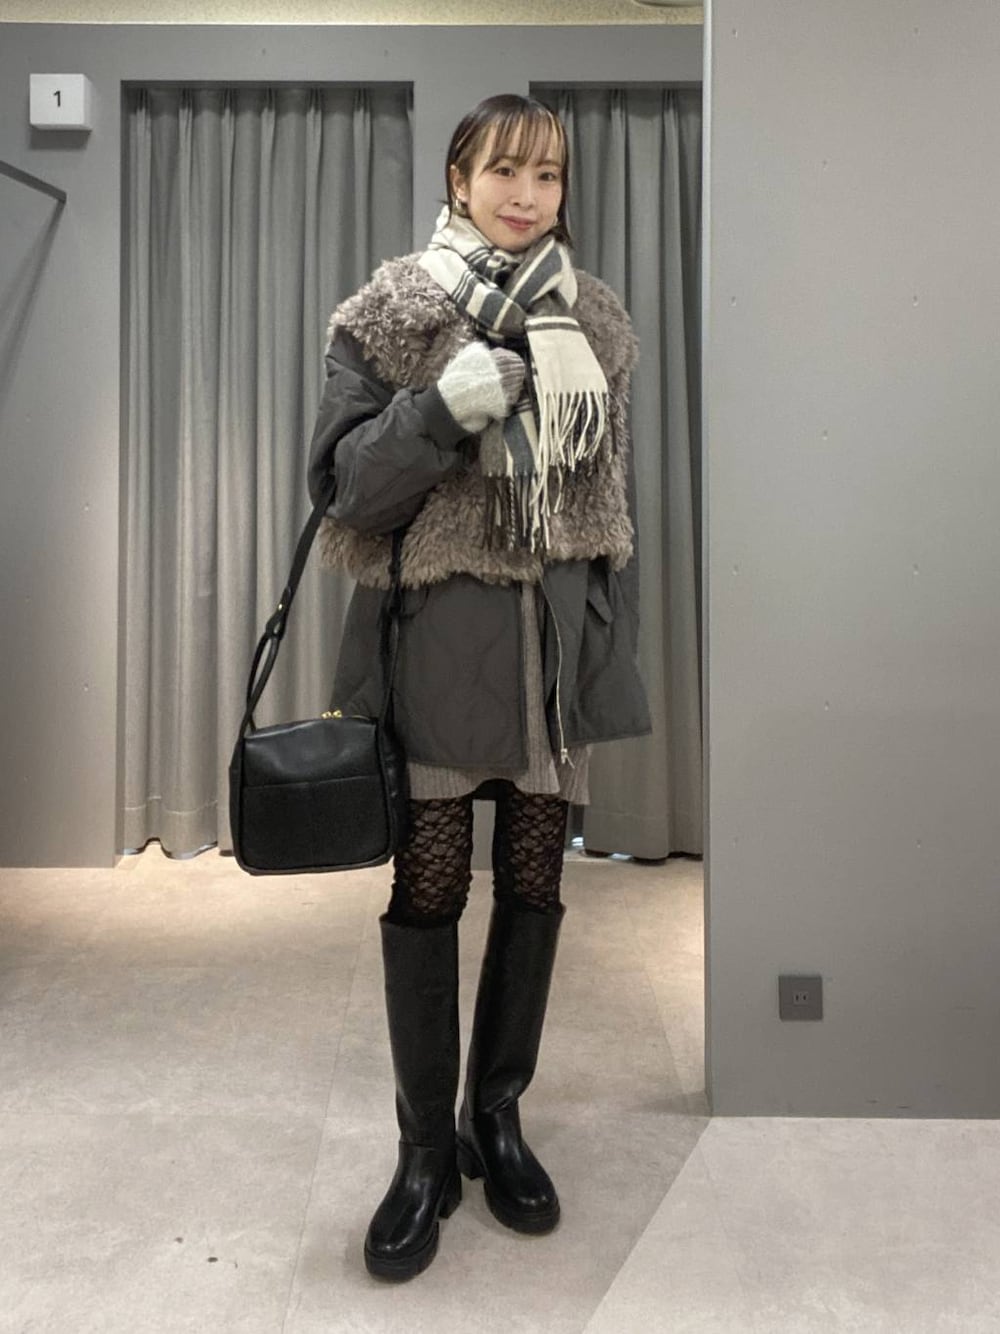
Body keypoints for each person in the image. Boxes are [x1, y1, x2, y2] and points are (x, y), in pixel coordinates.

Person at [306, 93, 651, 1282]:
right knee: (433, 885)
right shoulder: (394, 310)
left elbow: (605, 508)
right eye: (504, 169)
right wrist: (437, 410)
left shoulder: (592, 320)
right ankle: (422, 1151)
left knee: (540, 881)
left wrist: (604, 652)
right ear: (458, 178)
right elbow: (344, 490)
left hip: (552, 649)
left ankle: (495, 1114)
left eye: (547, 175)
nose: (525, 194)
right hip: (439, 642)